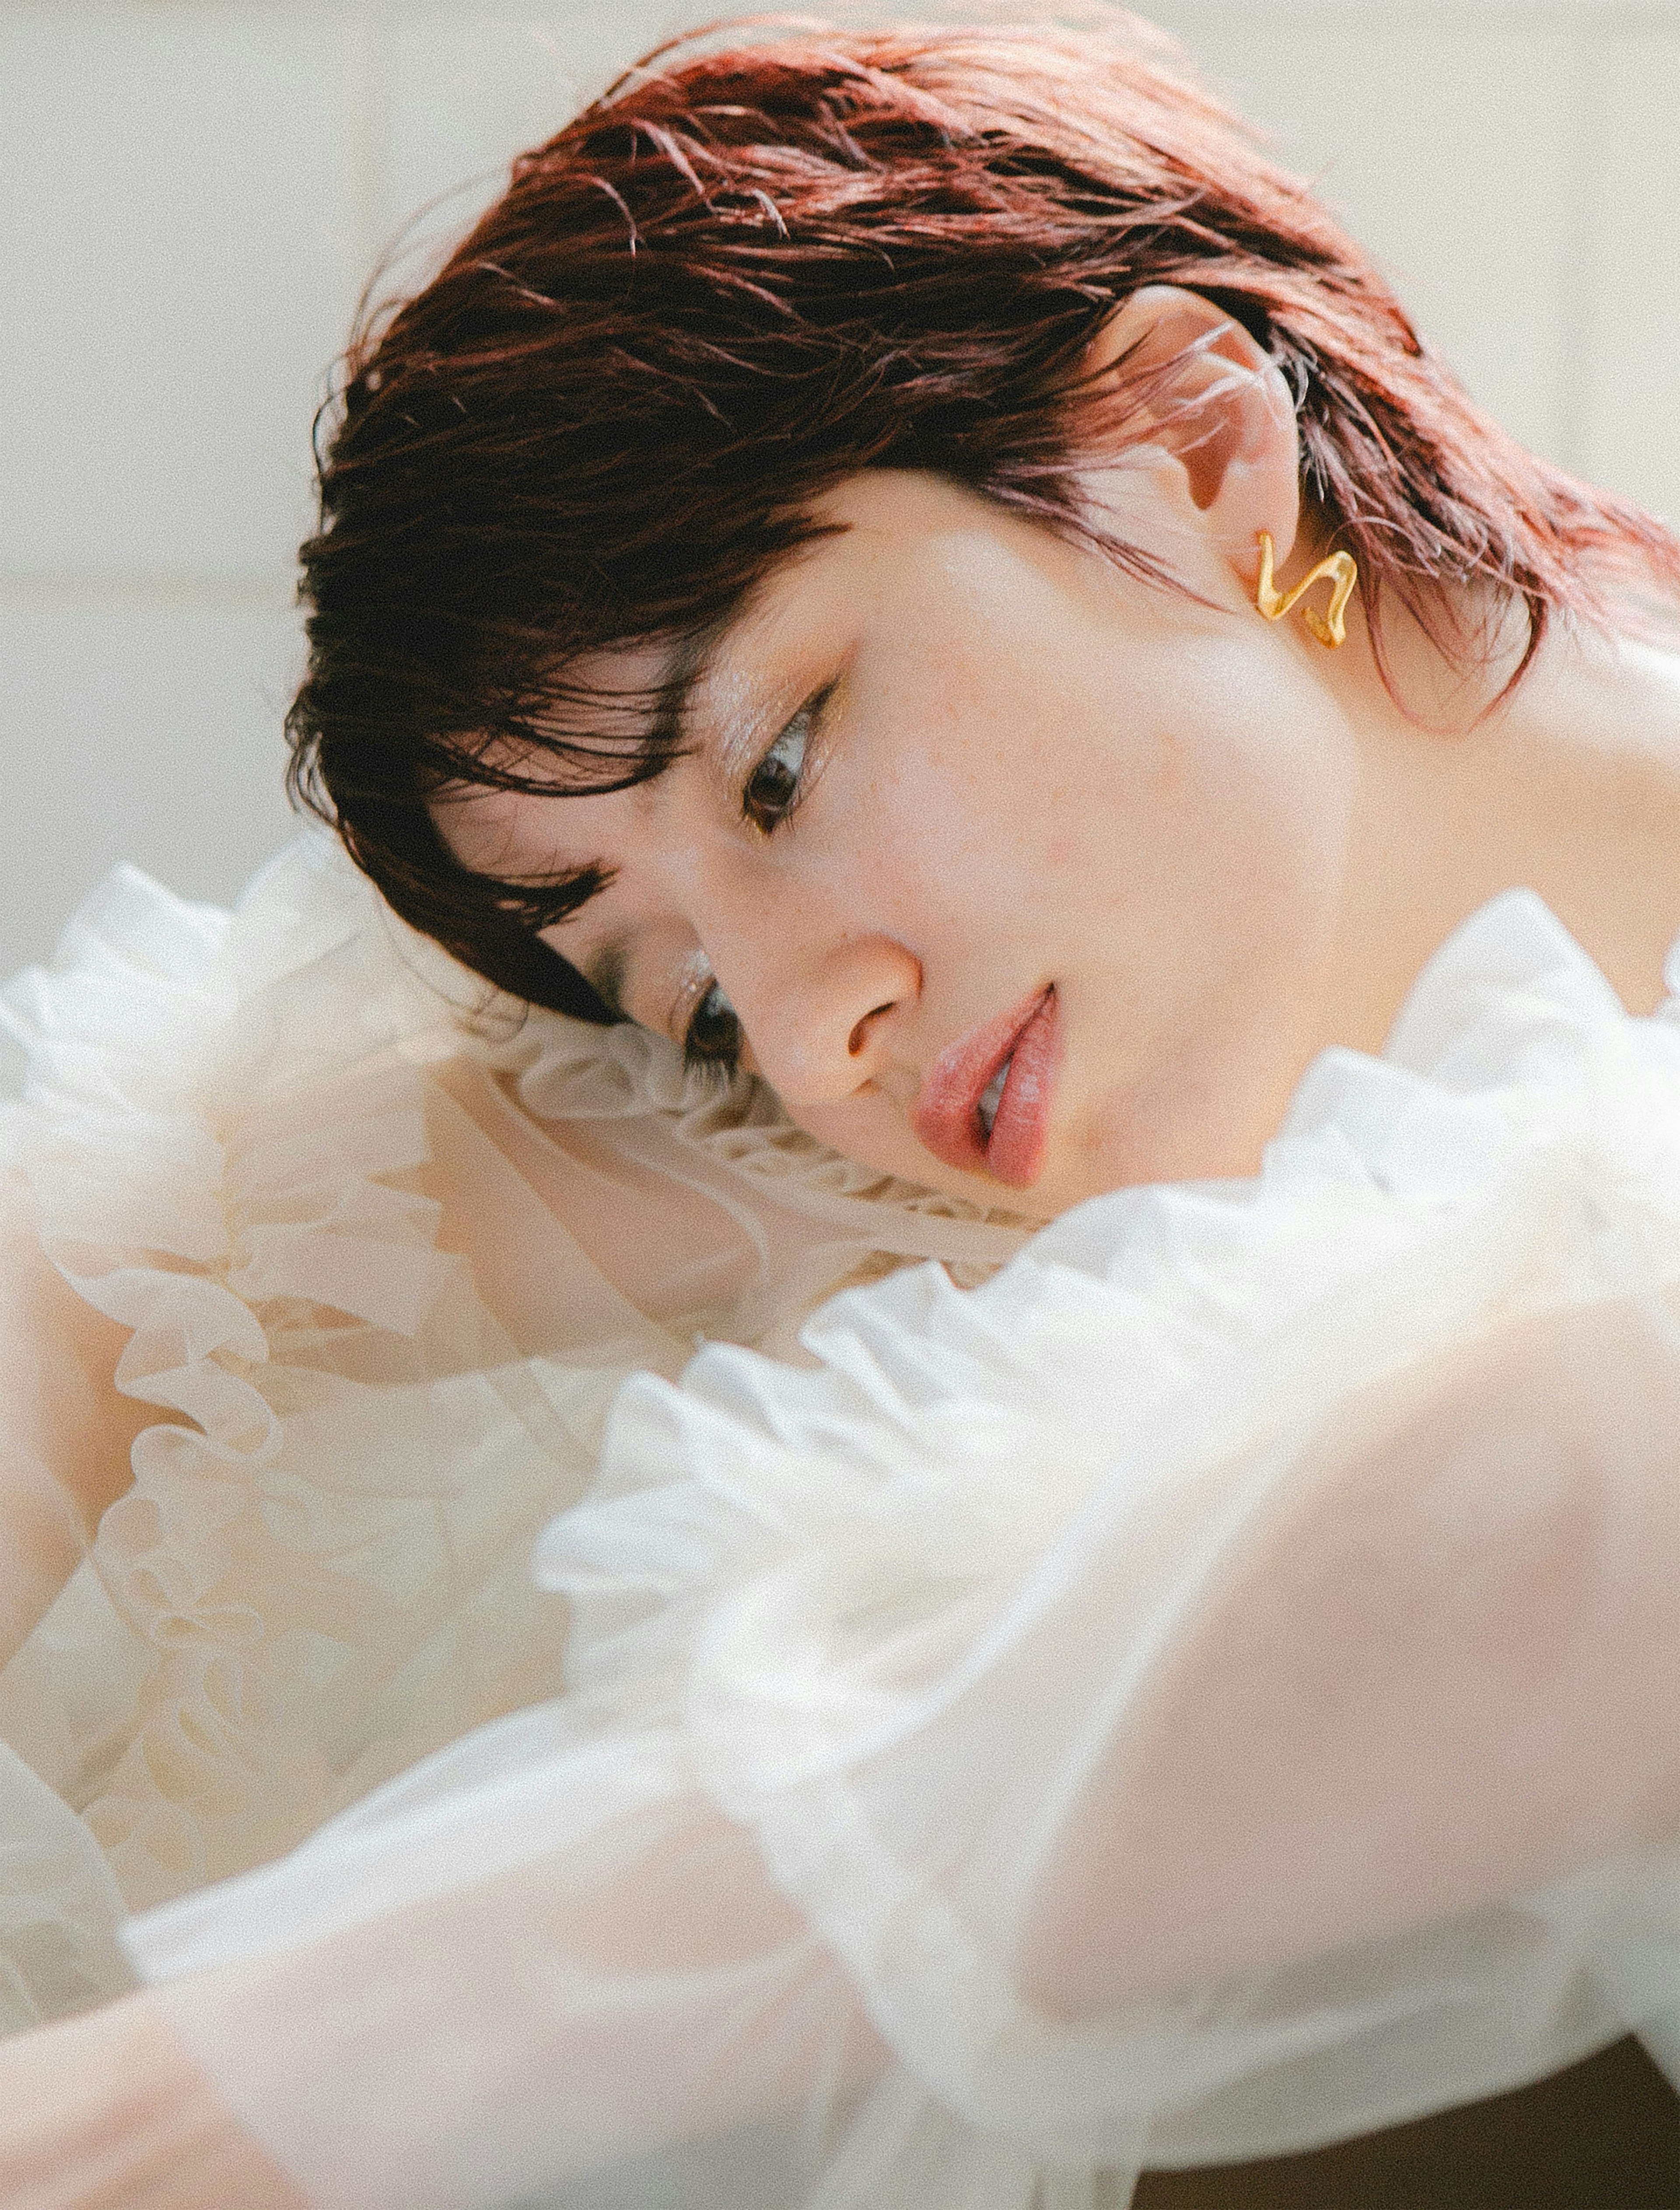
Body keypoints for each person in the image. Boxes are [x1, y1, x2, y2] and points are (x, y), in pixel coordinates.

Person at [4, 15, 1680, 2206]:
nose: (809, 1051)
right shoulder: (1075, 1184)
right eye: (686, 997)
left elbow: (1569, 1505)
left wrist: (180, 2119)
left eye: (781, 766)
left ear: (1190, 447)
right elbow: (187, 1199)